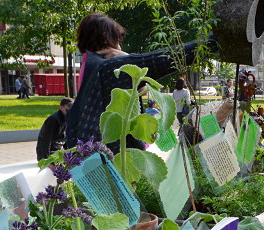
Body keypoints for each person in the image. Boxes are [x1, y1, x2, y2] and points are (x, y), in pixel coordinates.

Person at [66, 12, 211, 150]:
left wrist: (122, 56)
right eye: (117, 40)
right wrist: (212, 43)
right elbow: (164, 59)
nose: (120, 46)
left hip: (91, 154)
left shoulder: (89, 64)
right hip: (115, 158)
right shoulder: (106, 68)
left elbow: (137, 89)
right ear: (105, 37)